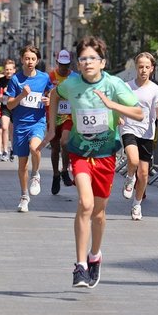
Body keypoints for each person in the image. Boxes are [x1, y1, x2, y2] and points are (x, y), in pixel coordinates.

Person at [44, 36, 144, 289]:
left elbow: (139, 112)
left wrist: (113, 105)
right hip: (79, 153)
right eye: (83, 58)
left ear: (103, 62)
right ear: (78, 63)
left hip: (105, 155)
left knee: (99, 213)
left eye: (93, 58)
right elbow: (54, 96)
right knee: (85, 203)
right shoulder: (72, 83)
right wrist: (51, 129)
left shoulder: (114, 84)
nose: (88, 62)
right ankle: (79, 265)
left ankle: (95, 255)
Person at [5, 45, 54, 212]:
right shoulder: (16, 80)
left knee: (36, 148)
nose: (30, 61)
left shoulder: (44, 77)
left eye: (33, 59)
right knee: (22, 164)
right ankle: (24, 196)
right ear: (21, 60)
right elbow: (10, 105)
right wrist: (22, 95)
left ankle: (36, 175)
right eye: (27, 58)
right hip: (20, 125)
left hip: (37, 123)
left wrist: (48, 100)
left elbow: (51, 94)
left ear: (37, 60)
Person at [119, 52, 158, 221]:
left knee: (145, 173)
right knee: (133, 161)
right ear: (136, 67)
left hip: (147, 132)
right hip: (129, 129)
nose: (144, 70)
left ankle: (137, 204)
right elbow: (118, 105)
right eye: (141, 67)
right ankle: (129, 177)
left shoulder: (156, 89)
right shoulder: (126, 87)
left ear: (152, 69)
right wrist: (118, 116)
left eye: (147, 67)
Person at [47, 49, 78, 194]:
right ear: (57, 62)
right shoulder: (50, 76)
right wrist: (46, 98)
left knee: (65, 142)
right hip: (53, 115)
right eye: (61, 64)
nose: (64, 67)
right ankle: (55, 175)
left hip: (69, 116)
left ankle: (65, 170)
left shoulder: (75, 77)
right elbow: (44, 93)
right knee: (55, 148)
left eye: (66, 64)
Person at [0, 59, 17, 160]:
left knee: (12, 130)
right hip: (5, 106)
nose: (8, 71)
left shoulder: (17, 80)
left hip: (15, 107)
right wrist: (1, 96)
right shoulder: (2, 80)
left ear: (14, 70)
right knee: (4, 127)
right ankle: (5, 151)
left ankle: (12, 149)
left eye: (10, 69)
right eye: (6, 69)